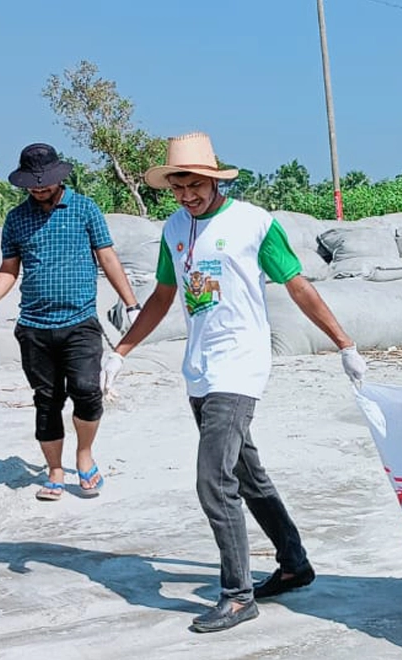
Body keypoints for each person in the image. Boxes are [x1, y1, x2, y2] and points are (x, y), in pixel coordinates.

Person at [103, 132, 367, 633]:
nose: (187, 196)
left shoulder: (253, 224)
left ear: (214, 180)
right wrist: (121, 350)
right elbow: (162, 296)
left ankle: (237, 594)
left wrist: (344, 343)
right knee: (247, 474)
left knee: (213, 480)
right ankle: (294, 563)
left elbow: (297, 284)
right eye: (178, 188)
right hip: (199, 368)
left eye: (195, 186)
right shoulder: (174, 230)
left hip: (240, 365)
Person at [0, 143, 140, 501]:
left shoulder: (85, 209)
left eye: (44, 183)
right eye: (32, 184)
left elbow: (107, 257)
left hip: (80, 322)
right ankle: (55, 471)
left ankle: (84, 456)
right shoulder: (16, 219)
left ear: (59, 177)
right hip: (34, 326)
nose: (39, 189)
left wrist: (132, 304)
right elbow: (9, 269)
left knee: (87, 392)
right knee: (47, 400)